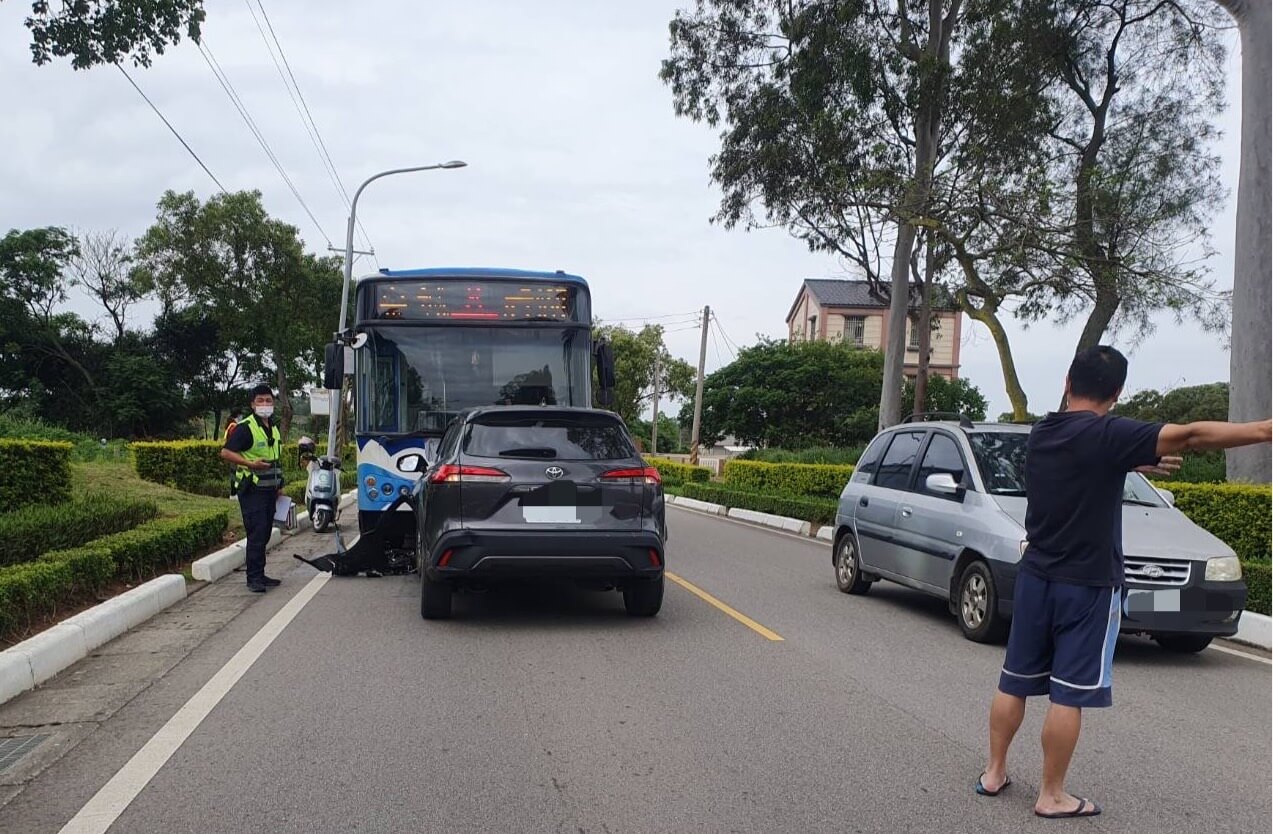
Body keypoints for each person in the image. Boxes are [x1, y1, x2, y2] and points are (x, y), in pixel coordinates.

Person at [977, 346, 1270, 819]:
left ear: (1068, 382)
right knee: (1068, 692)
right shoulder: (1111, 433)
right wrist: (1263, 430)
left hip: (1035, 577)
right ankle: (1051, 795)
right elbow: (1192, 435)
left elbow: (1084, 463)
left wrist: (1132, 463)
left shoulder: (1042, 432)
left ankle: (993, 772)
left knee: (1014, 681)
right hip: (1087, 585)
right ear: (1116, 394)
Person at [219, 385, 285, 593]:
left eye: (268, 400)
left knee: (265, 532)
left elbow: (276, 459)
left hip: (269, 490)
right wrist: (250, 464)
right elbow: (226, 453)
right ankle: (253, 578)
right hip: (252, 489)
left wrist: (279, 485)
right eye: (260, 401)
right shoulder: (246, 427)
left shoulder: (273, 427)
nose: (265, 404)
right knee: (257, 533)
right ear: (252, 404)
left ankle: (260, 573)